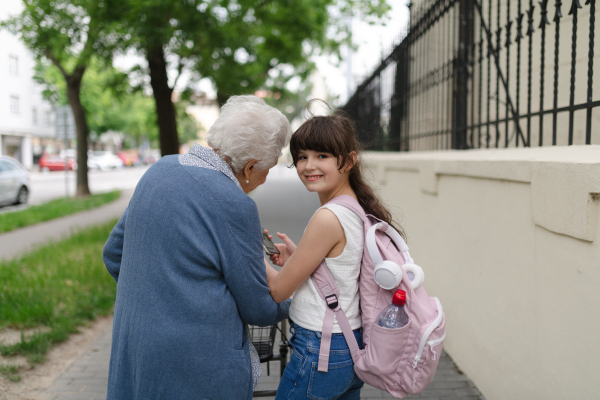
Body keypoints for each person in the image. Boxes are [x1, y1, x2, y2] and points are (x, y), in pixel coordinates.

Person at [102, 95, 292, 400]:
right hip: (198, 369)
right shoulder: (236, 205)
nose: (265, 178)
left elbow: (113, 254)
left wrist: (156, 300)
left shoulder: (159, 170)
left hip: (136, 353)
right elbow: (261, 308)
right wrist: (294, 294)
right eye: (267, 169)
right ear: (250, 166)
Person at [265, 108, 404, 400]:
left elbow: (278, 290)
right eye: (302, 156)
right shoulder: (354, 207)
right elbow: (342, 270)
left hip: (321, 349)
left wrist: (245, 250)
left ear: (349, 161)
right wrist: (296, 259)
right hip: (349, 345)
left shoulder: (327, 217)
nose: (308, 165)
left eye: (322, 156)